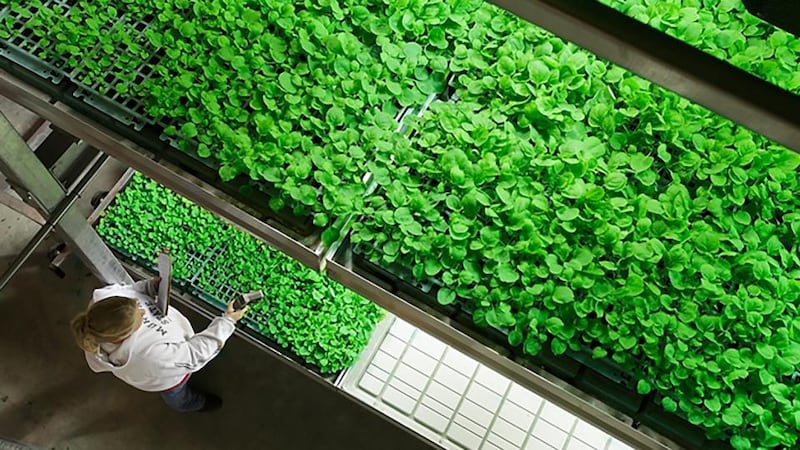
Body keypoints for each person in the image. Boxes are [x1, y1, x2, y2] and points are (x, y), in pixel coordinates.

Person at [70, 277, 248, 412]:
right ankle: (194, 404)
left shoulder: (104, 299)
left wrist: (149, 286)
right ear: (125, 335)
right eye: (139, 316)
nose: (141, 310)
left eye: (137, 305)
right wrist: (227, 321)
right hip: (169, 380)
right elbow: (194, 355)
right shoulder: (150, 356)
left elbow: (131, 290)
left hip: (164, 360)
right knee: (178, 397)